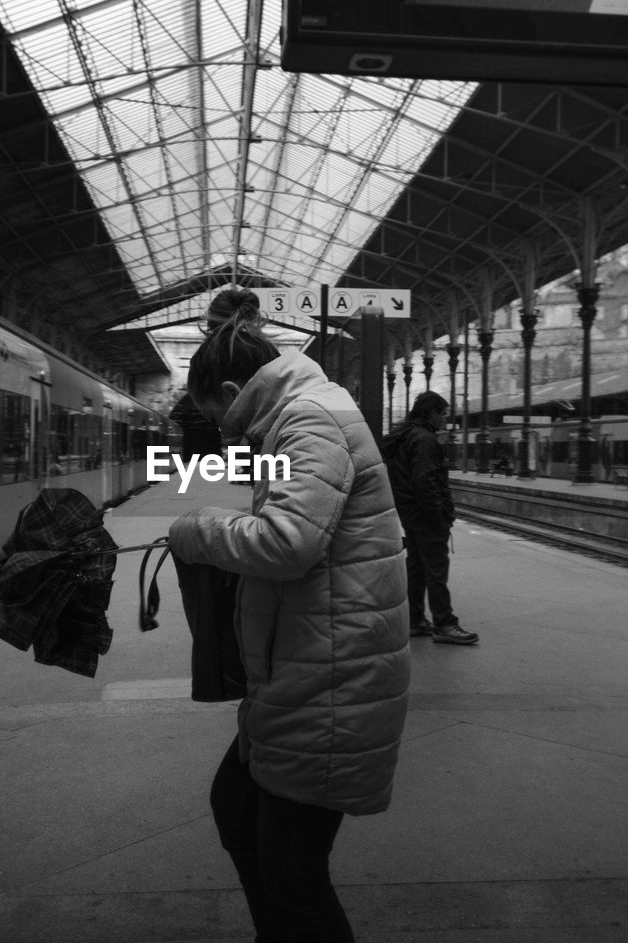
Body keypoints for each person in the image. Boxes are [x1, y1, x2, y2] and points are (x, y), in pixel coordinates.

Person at [168, 287, 410, 943]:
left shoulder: (309, 420)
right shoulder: (302, 415)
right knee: (238, 813)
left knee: (293, 875)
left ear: (229, 386)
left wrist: (199, 529)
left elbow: (288, 542)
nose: (223, 431)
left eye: (216, 412)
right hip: (309, 662)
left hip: (333, 676)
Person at [380, 391, 479, 645]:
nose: (445, 419)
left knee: (417, 567)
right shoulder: (424, 439)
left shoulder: (406, 436)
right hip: (425, 515)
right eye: (442, 413)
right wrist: (438, 514)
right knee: (436, 569)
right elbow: (424, 480)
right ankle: (444, 623)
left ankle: (415, 619)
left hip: (411, 513)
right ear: (431, 413)